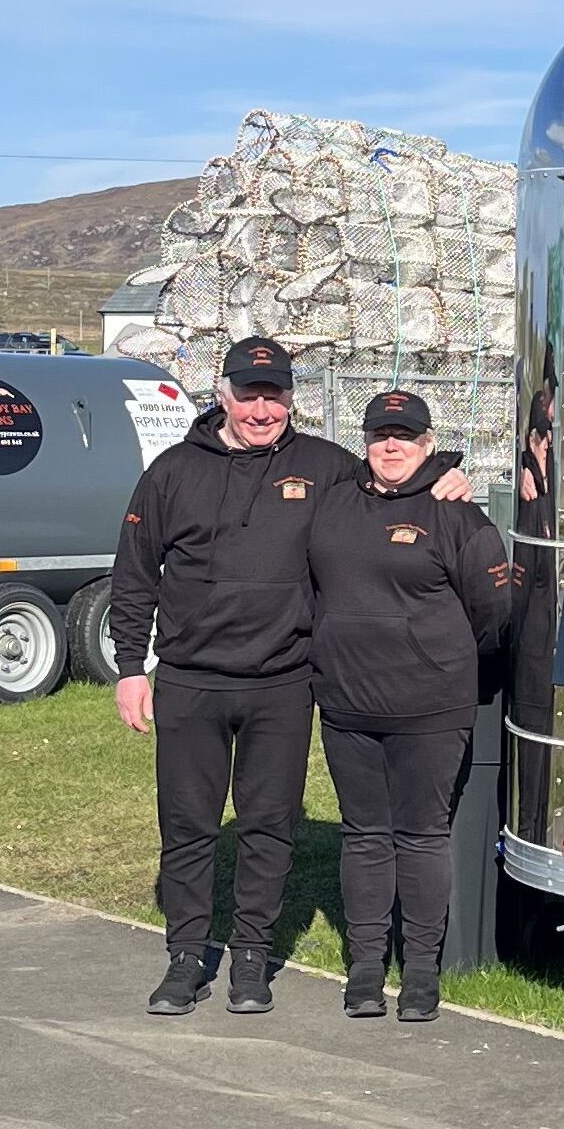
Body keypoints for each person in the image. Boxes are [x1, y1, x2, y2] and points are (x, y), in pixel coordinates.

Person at [110, 337, 467, 1016]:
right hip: (189, 679)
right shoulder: (172, 472)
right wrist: (132, 667)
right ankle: (185, 959)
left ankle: (251, 959)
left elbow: (394, 478)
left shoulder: (326, 468)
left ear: (290, 399)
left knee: (268, 827)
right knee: (186, 828)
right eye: (249, 394)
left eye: (274, 395)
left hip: (283, 681)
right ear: (223, 396)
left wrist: (450, 473)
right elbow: (134, 574)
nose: (262, 408)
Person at [309, 388, 514, 1021]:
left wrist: (440, 663)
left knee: (422, 836)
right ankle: (367, 967)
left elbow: (495, 613)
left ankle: (421, 970)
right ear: (364, 442)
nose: (390, 446)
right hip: (346, 704)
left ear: (427, 444)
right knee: (365, 836)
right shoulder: (335, 503)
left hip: (429, 708)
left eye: (404, 435)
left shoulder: (456, 513)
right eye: (379, 435)